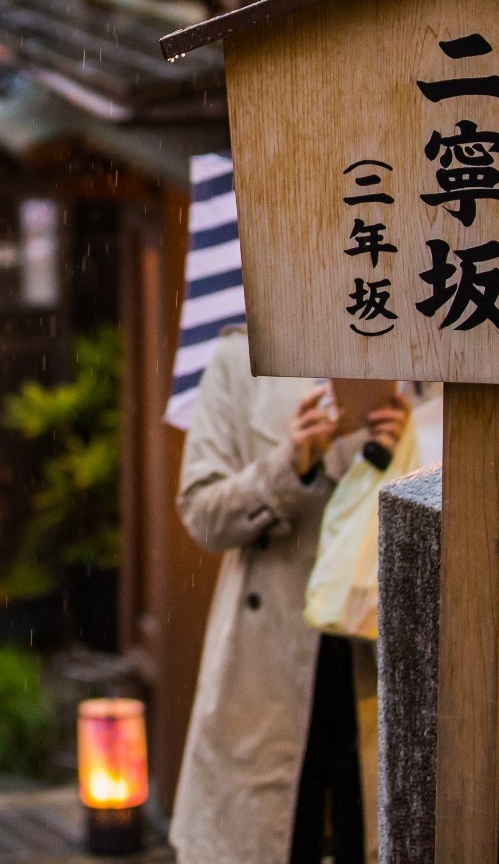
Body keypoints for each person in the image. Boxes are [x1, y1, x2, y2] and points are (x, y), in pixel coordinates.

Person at [170, 331, 408, 864]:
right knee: (270, 838)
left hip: (379, 652)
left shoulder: (423, 358)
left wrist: (403, 459)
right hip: (266, 657)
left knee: (375, 831)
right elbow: (203, 515)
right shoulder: (241, 360)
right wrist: (290, 464)